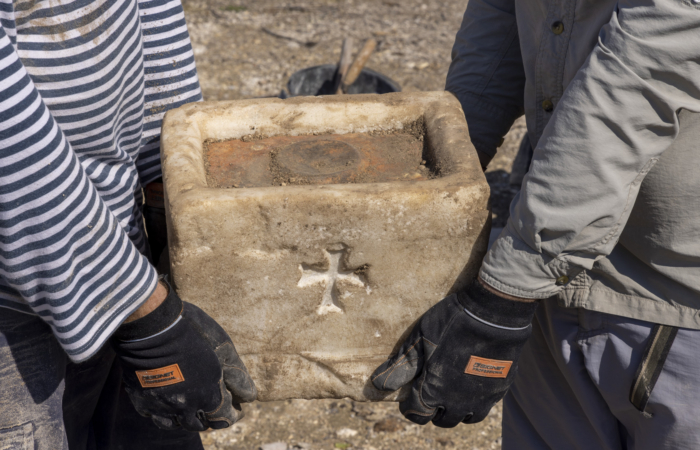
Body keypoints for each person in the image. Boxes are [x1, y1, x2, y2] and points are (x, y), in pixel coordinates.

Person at [372, 0, 700, 448]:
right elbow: (503, 12)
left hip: (671, 294)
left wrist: (505, 293)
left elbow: (647, 66)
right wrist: (441, 177)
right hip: (547, 277)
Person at [0, 0, 256, 448]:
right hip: (17, 298)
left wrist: (171, 191)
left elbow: (147, 16)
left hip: (115, 256)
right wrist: (142, 314)